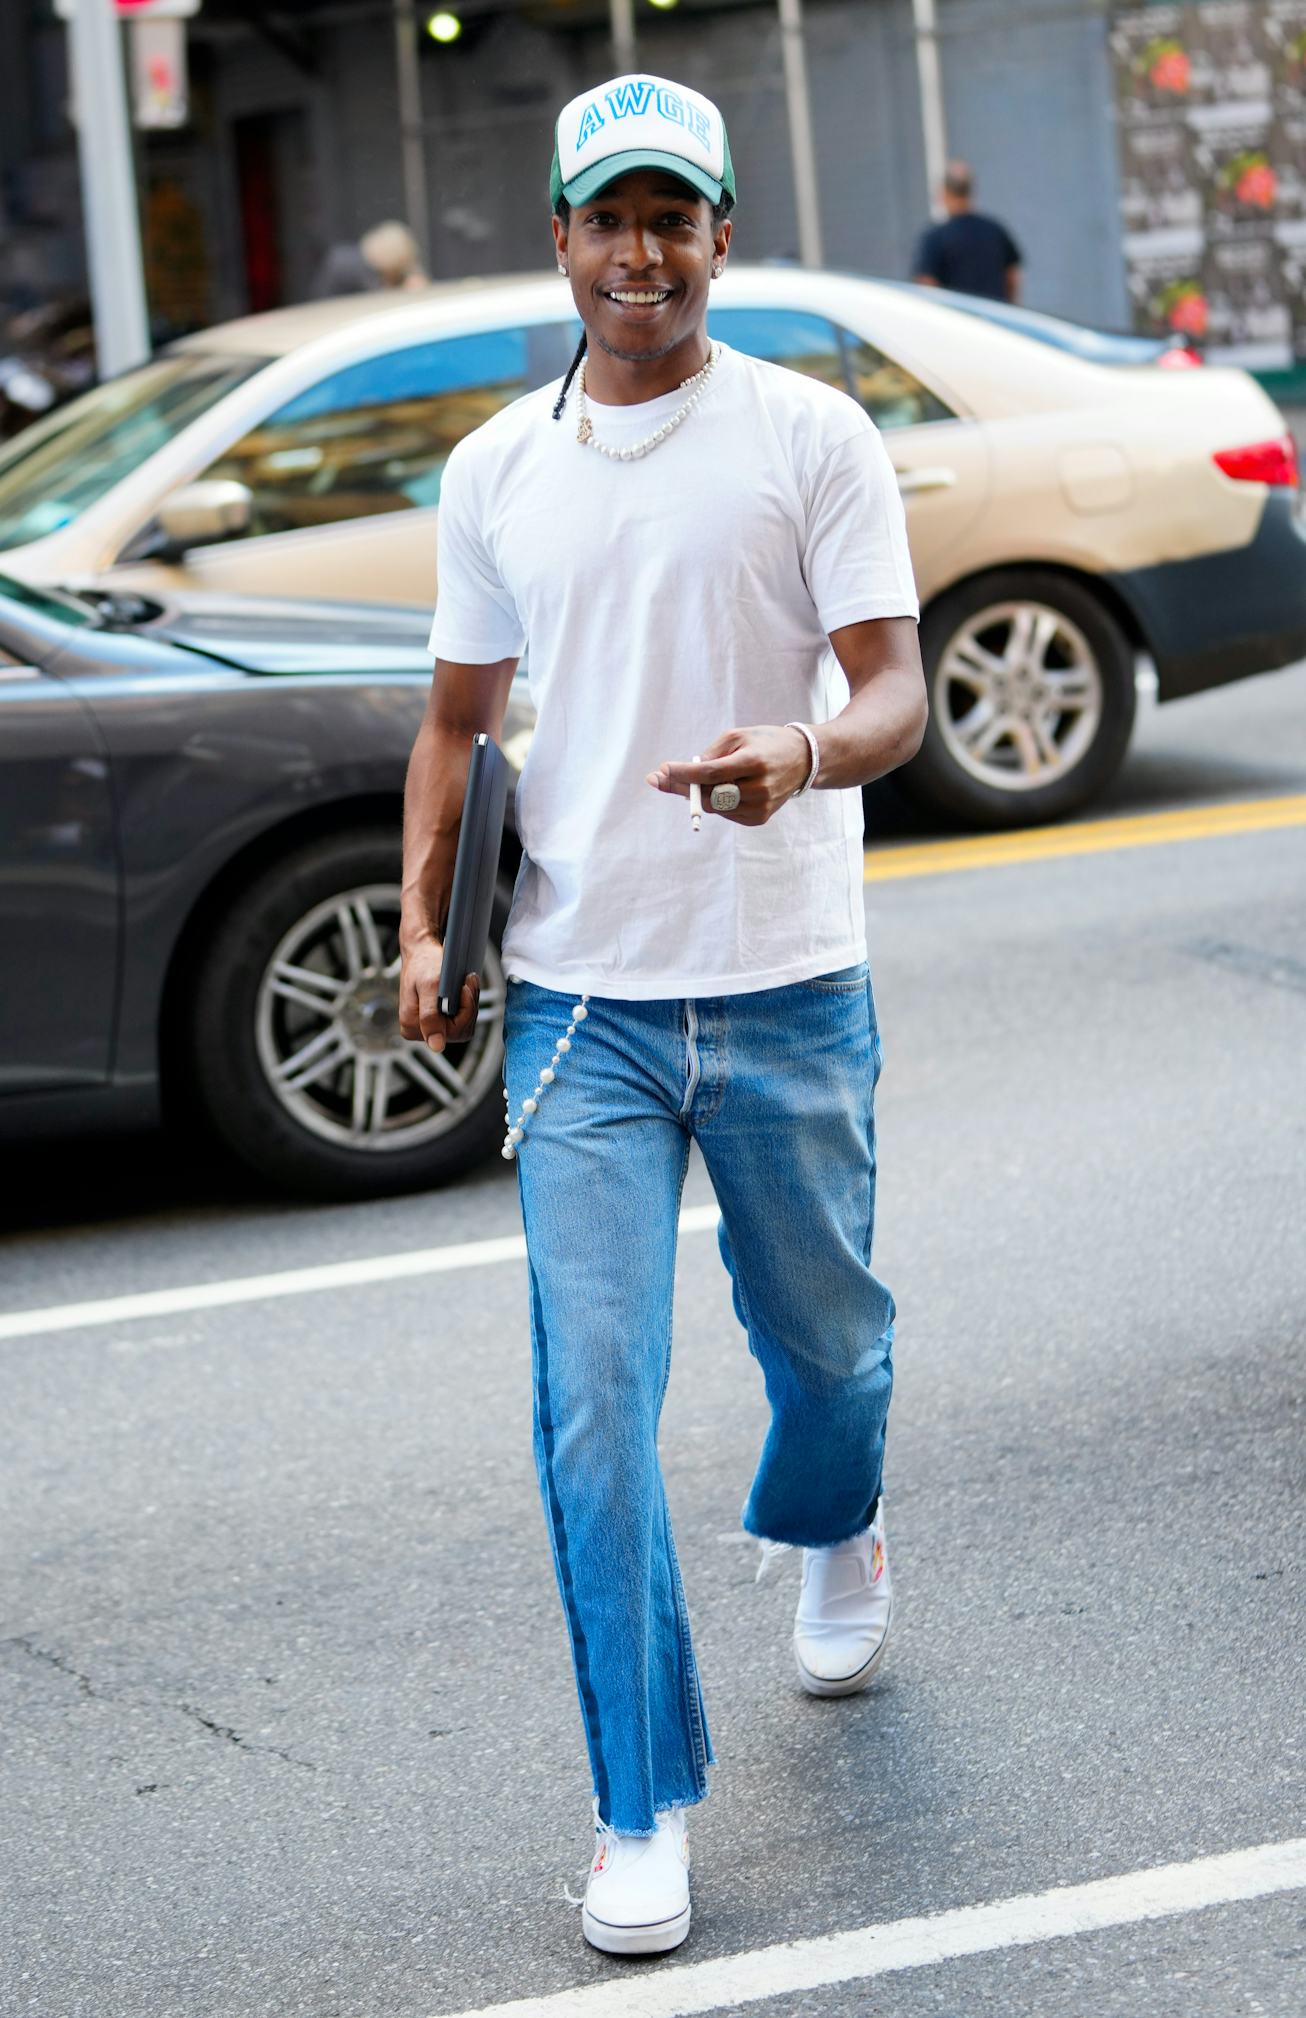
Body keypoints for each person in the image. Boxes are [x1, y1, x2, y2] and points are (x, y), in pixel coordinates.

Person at [399, 72, 926, 1959]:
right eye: (606, 219)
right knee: (591, 1414)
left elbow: (892, 691)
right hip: (579, 1008)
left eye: (672, 217)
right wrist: (418, 920)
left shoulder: (807, 435)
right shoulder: (494, 472)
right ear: (557, 241)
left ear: (720, 234)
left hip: (785, 977)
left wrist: (800, 748)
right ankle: (639, 1804)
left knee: (834, 1351)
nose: (640, 253)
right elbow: (457, 721)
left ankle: (839, 1518)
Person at [913, 160, 1022, 303]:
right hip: (994, 316)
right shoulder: (995, 230)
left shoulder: (935, 237)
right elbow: (1012, 277)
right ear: (970, 192)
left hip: (957, 320)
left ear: (944, 194)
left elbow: (926, 284)